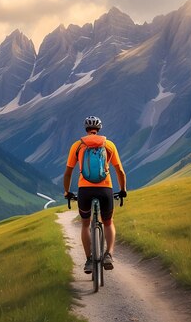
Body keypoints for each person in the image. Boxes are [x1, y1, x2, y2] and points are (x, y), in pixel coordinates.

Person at [64, 116, 127, 274]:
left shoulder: (77, 146)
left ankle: (89, 260)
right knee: (108, 222)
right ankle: (109, 255)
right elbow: (119, 170)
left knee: (86, 224)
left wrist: (67, 191)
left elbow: (68, 173)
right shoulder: (109, 145)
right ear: (99, 129)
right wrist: (123, 189)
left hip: (84, 190)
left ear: (86, 129)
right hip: (105, 189)